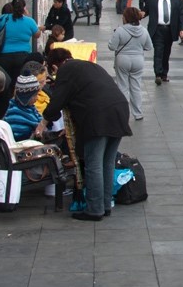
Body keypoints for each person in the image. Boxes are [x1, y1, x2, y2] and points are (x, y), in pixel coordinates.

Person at [37, 48, 132, 221]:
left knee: (93, 163)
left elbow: (57, 100)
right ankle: (104, 205)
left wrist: (43, 123)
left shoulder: (66, 70)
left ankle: (94, 209)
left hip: (99, 115)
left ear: (54, 67)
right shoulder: (86, 66)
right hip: (119, 109)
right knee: (107, 162)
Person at [0, 0, 40, 119]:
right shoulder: (29, 21)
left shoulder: (3, 19)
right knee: (17, 85)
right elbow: (37, 34)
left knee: (4, 85)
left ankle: (2, 111)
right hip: (22, 58)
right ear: (24, 8)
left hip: (3, 58)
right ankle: (16, 111)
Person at [107, 6, 152, 121]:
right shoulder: (143, 30)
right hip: (138, 60)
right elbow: (148, 47)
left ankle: (123, 114)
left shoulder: (121, 30)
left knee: (122, 86)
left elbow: (112, 47)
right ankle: (138, 113)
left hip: (123, 60)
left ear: (126, 17)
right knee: (136, 87)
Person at [146, 0, 183, 84]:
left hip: (170, 29)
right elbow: (146, 11)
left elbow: (182, 15)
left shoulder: (176, 0)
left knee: (166, 52)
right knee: (158, 51)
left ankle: (164, 73)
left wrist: (182, 29)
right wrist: (140, 15)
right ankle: (158, 74)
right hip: (157, 29)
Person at [4, 61, 47, 140]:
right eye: (35, 95)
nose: (37, 98)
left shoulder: (29, 107)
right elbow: (20, 136)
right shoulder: (15, 114)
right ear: (26, 98)